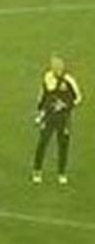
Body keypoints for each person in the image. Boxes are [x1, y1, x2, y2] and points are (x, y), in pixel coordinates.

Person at [32, 55, 82, 185]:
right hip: (49, 117)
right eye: (54, 66)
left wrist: (66, 106)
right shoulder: (47, 77)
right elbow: (43, 96)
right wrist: (40, 113)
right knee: (42, 143)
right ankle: (37, 171)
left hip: (63, 118)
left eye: (58, 66)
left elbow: (78, 97)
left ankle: (62, 173)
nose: (56, 69)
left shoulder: (68, 80)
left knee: (63, 145)